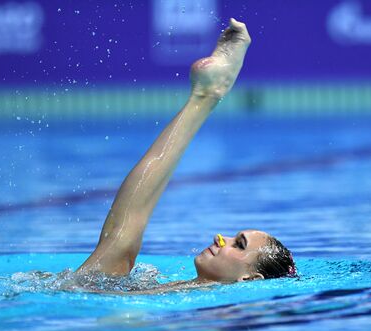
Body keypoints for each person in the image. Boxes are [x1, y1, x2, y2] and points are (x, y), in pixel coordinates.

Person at [75, 18, 295, 292]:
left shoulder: (204, 306)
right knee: (118, 250)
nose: (220, 238)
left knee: (118, 249)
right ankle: (204, 97)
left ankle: (205, 97)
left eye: (239, 244)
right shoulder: (181, 291)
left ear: (249, 279)